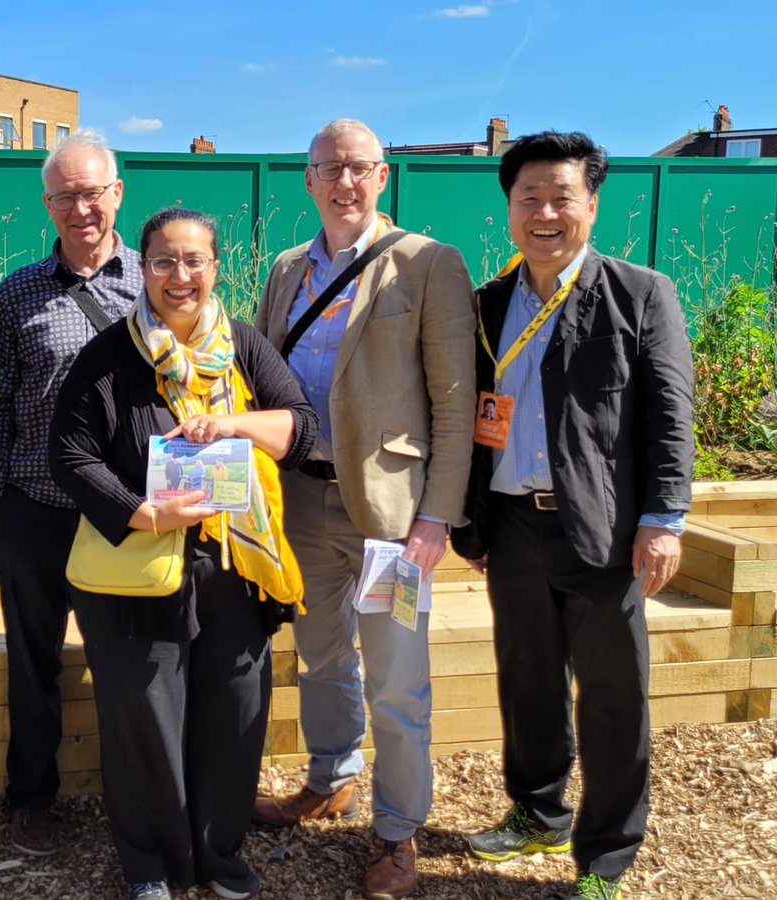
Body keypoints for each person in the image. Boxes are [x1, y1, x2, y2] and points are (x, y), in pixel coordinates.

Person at [452, 131, 694, 900]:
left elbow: (670, 414)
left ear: (591, 204)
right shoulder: (488, 303)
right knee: (526, 680)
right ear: (509, 210)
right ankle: (537, 812)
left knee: (614, 694)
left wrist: (665, 518)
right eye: (530, 198)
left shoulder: (639, 293)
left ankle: (607, 858)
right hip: (515, 525)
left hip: (607, 533)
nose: (545, 212)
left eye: (562, 197)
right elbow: (466, 416)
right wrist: (470, 522)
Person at [50, 207, 316, 900]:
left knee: (231, 716)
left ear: (215, 268)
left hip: (234, 567)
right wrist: (142, 513)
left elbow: (299, 430)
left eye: (194, 260)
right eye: (164, 261)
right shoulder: (110, 354)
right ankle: (149, 866)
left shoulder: (246, 348)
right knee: (144, 722)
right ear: (142, 269)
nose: (180, 275)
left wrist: (229, 422)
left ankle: (218, 855)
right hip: (137, 571)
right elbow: (69, 454)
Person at [251, 118, 476, 899]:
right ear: (308, 180)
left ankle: (398, 830)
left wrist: (435, 518)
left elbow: (454, 402)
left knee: (396, 678)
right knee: (318, 656)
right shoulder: (285, 270)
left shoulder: (427, 264)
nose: (344, 183)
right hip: (302, 503)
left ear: (383, 177)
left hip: (388, 517)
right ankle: (330, 775)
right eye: (329, 169)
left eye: (359, 168)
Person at [0, 130, 142, 855]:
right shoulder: (17, 292)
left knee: (130, 668)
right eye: (66, 195)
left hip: (125, 516)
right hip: (35, 512)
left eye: (93, 191)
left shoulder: (155, 279)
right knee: (33, 665)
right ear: (48, 204)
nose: (82, 208)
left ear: (117, 195)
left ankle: (135, 804)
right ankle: (32, 799)